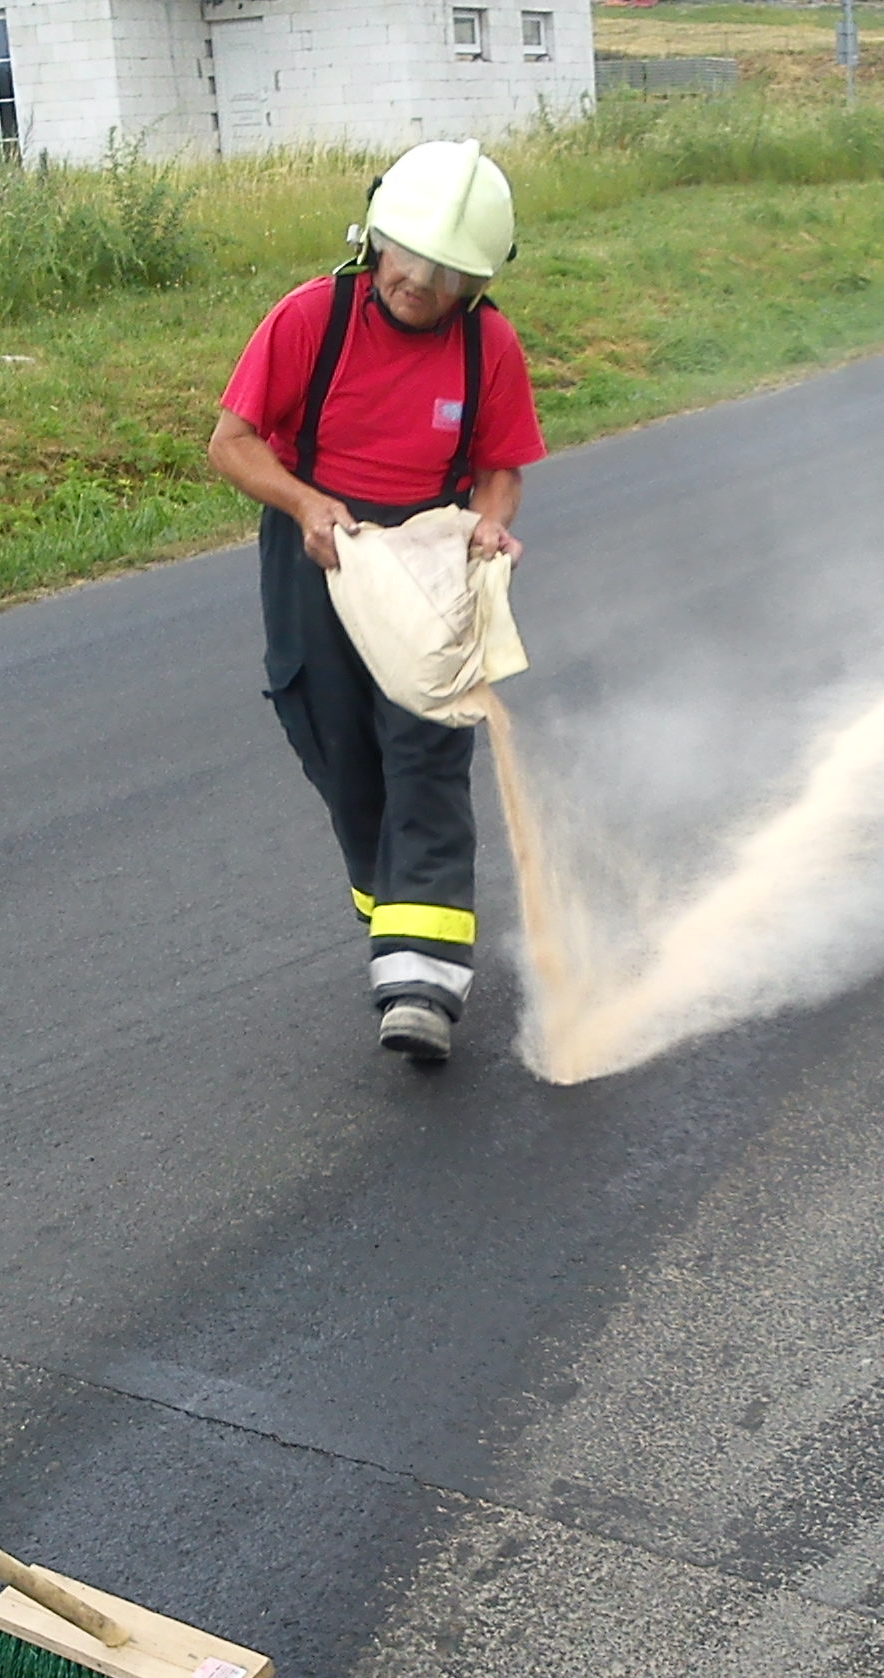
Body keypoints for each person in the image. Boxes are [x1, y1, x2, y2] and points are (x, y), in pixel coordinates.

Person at [209, 140, 547, 1067]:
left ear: (475, 283)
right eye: (410, 260)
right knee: (332, 736)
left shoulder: (489, 345)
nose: (421, 285)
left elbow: (501, 466)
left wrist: (487, 526)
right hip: (319, 539)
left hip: (427, 550)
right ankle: (393, 904)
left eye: (447, 275)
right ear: (375, 241)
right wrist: (306, 503)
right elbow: (231, 443)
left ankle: (423, 983)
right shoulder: (309, 319)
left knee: (428, 742)